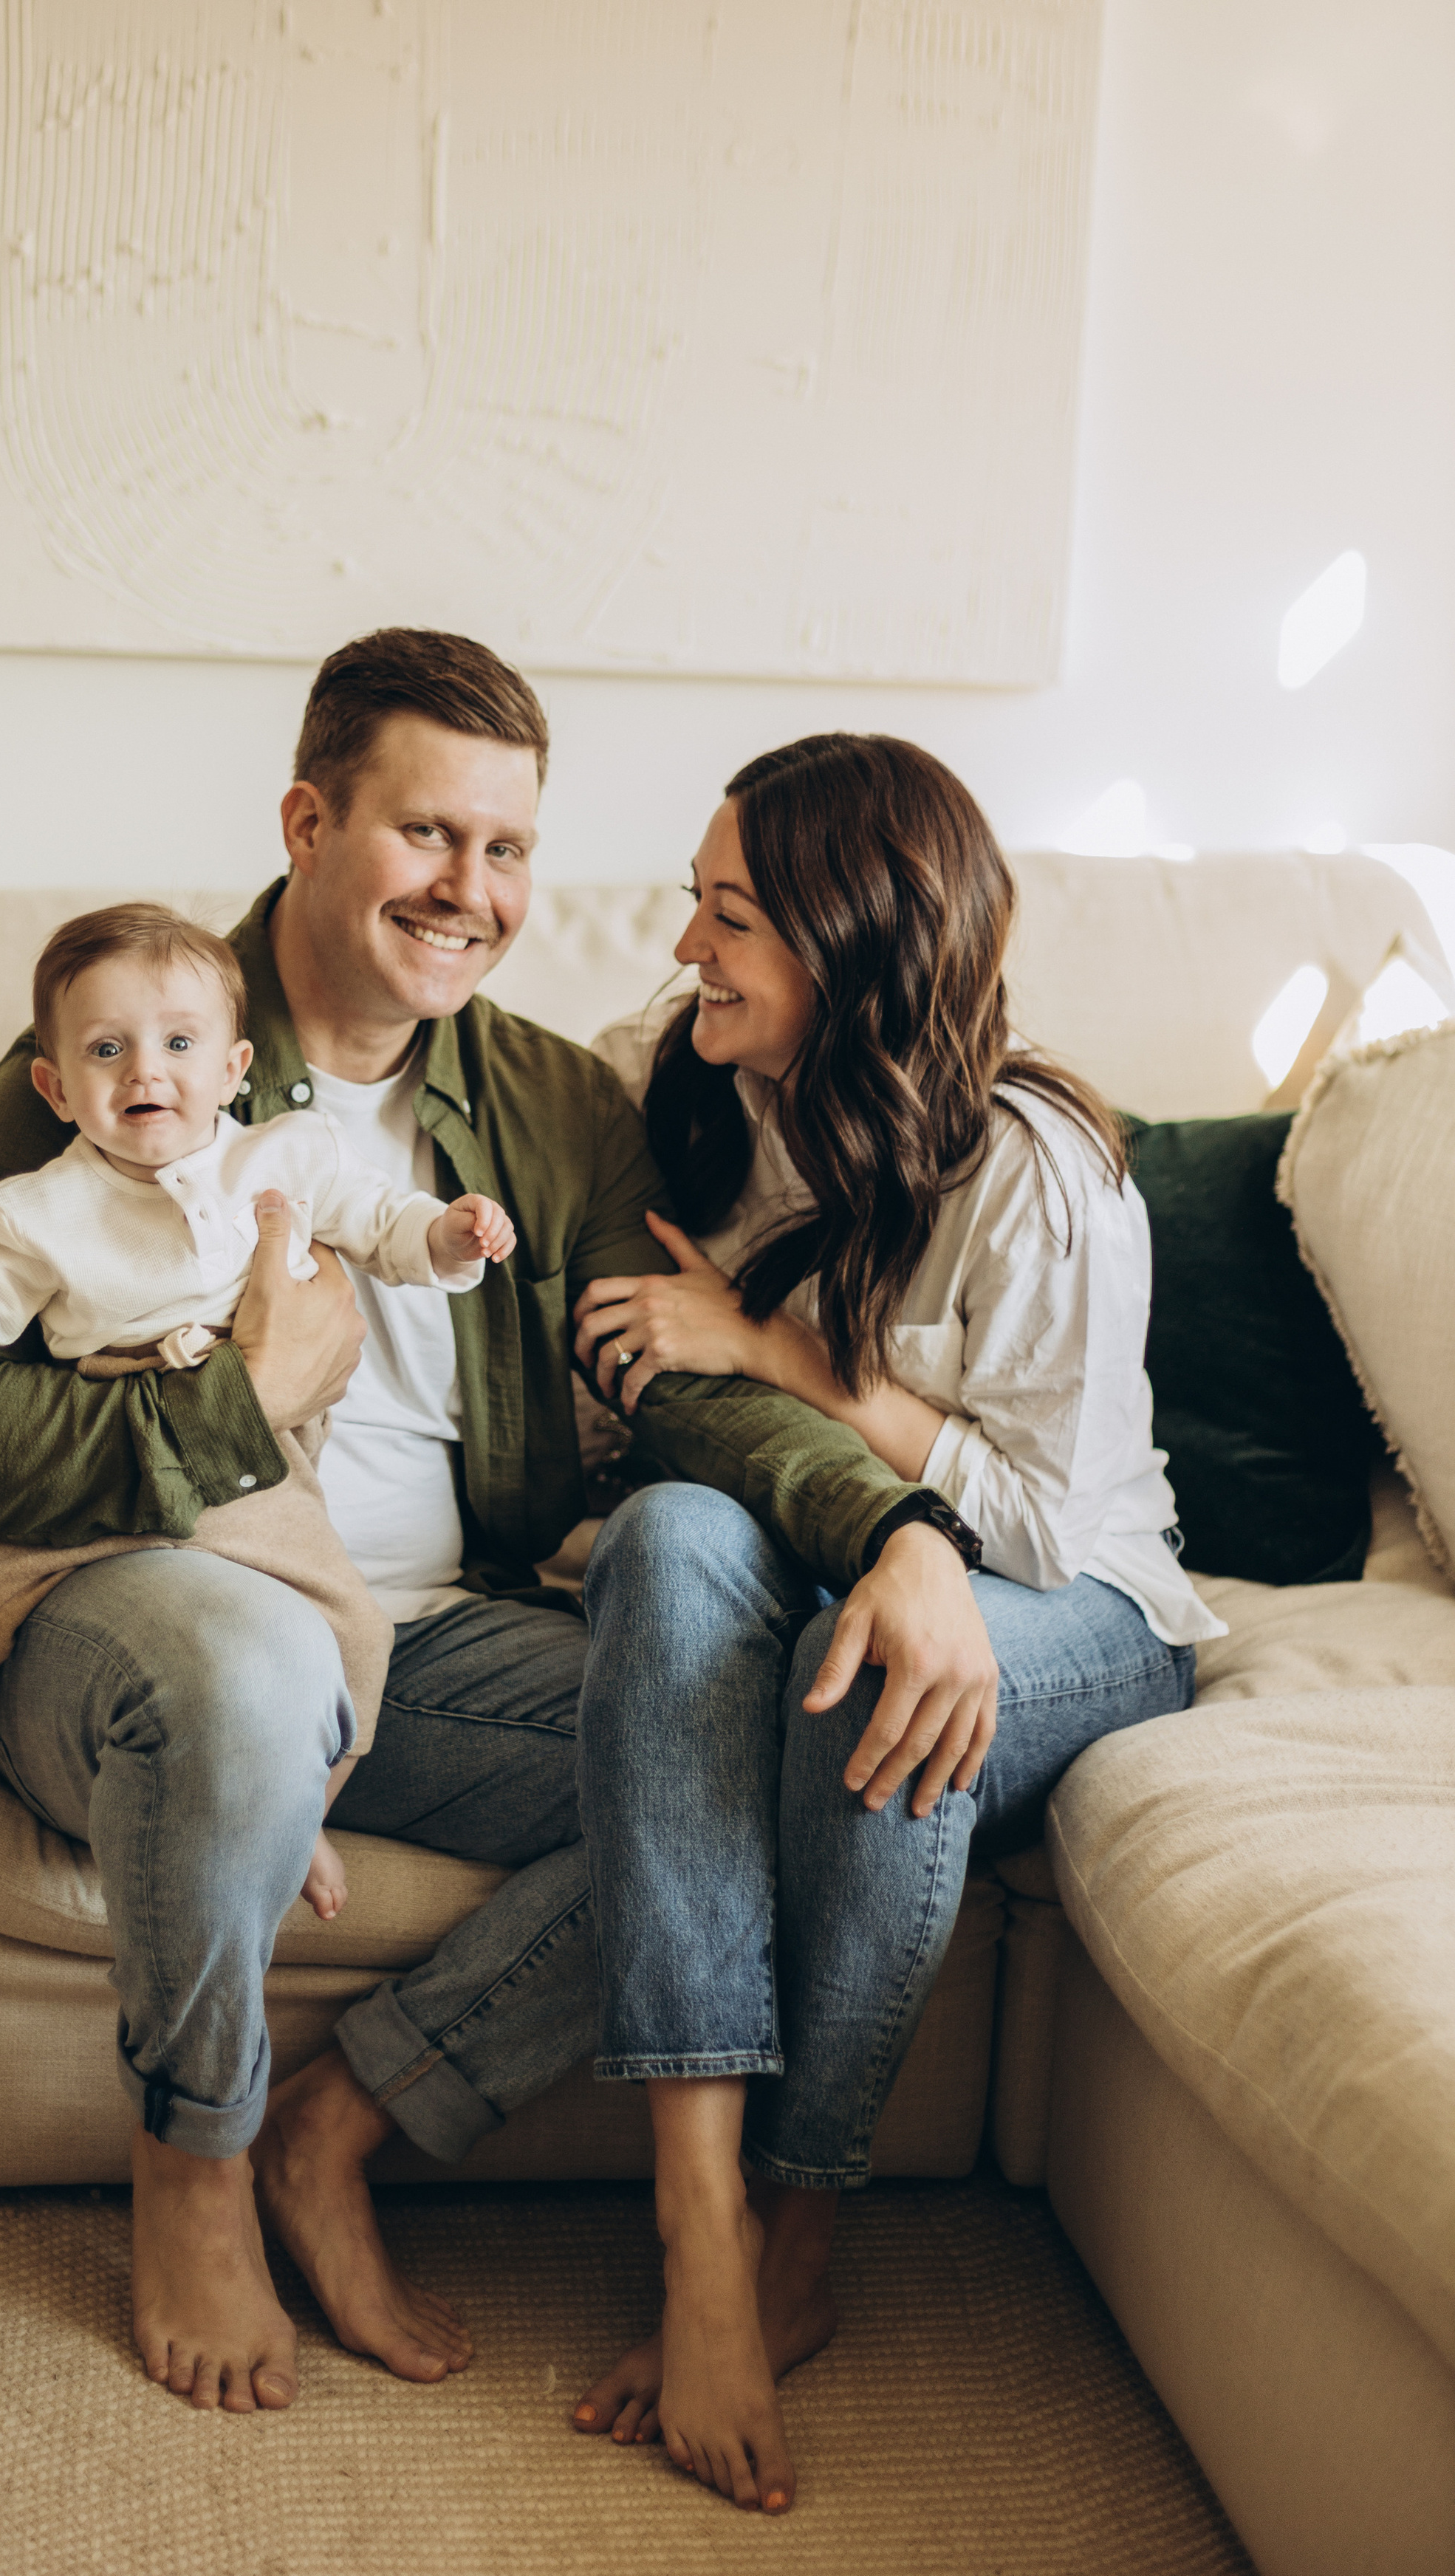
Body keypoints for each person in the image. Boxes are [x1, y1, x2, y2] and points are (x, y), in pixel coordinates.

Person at [0, 636, 984, 2419]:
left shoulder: (550, 1104)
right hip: (135, 1605)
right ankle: (192, 2158)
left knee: (762, 1764)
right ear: (307, 824)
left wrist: (896, 1528)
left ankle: (342, 2118)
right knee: (240, 1661)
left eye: (506, 848)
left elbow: (671, 1378)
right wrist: (232, 1404)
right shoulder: (136, 1050)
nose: (470, 890)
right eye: (426, 834)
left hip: (424, 1637)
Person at [566, 733, 1219, 2515]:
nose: (686, 950)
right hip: (813, 1558)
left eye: (727, 919)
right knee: (666, 1541)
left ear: (849, 943)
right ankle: (696, 2226)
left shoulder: (1035, 1169)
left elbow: (1040, 1520)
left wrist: (771, 1353)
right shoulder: (682, 1088)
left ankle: (795, 2239)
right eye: (695, 906)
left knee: (858, 1670)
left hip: (1081, 1606)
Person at [0, 902, 513, 1924]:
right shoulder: (41, 1206)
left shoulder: (285, 1158)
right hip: (107, 1427)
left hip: (254, 1470)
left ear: (235, 1069)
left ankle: (302, 1810)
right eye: (108, 1050)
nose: (146, 1072)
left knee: (358, 1636)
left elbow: (384, 1223)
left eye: (180, 1045)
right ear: (56, 1088)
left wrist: (451, 1238)